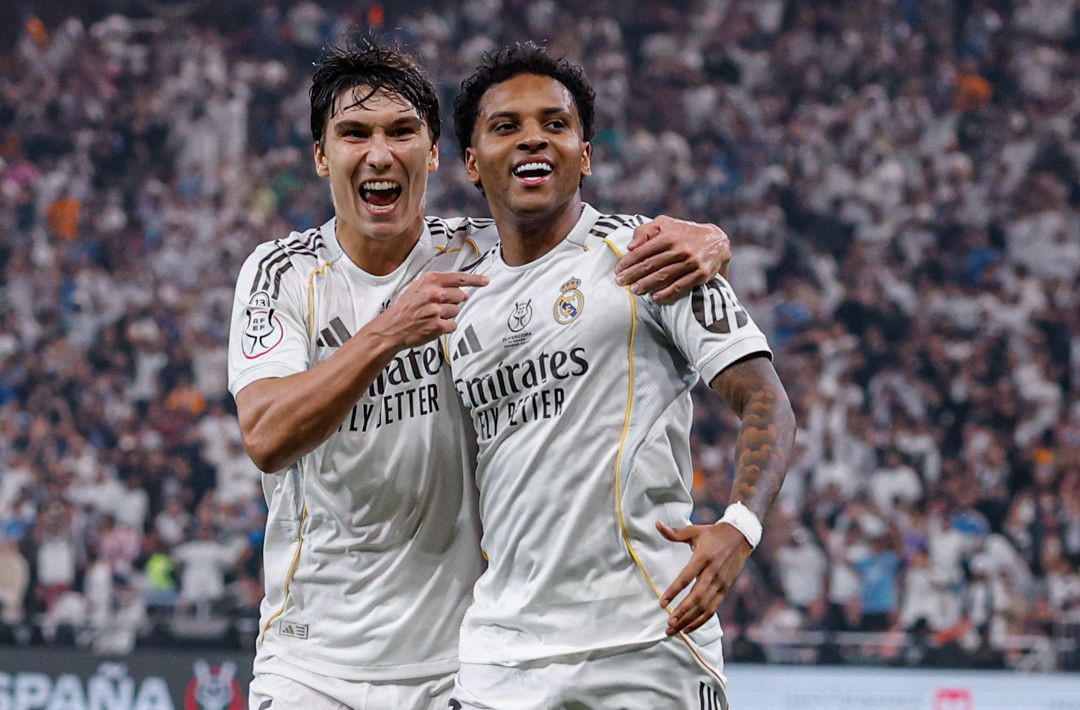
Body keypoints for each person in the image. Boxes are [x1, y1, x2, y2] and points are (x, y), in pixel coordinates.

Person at [229, 40, 735, 710]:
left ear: (436, 153)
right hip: (311, 661)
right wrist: (387, 332)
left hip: (460, 666)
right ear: (322, 155)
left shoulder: (483, 252)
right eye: (354, 134)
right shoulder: (283, 272)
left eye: (401, 132)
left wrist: (711, 239)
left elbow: (589, 235)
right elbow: (265, 435)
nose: (379, 154)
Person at [444, 43, 796, 708]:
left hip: (647, 642)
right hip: (498, 657)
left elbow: (765, 400)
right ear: (470, 161)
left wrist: (740, 527)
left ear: (585, 155)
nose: (532, 139)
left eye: (555, 124)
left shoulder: (652, 254)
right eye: (506, 126)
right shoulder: (453, 301)